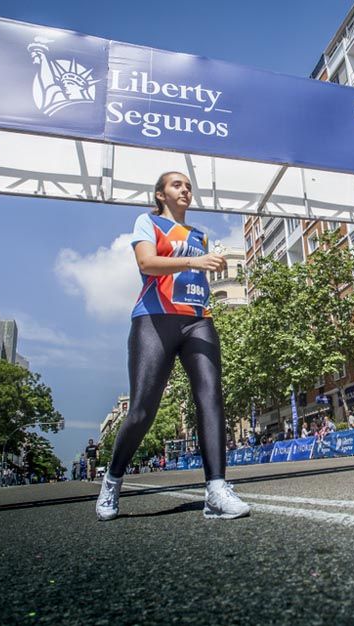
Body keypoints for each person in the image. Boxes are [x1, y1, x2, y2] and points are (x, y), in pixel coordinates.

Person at [96, 171, 250, 521]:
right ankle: (113, 478)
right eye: (177, 185)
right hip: (155, 319)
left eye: (188, 186)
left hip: (198, 319)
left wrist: (210, 262)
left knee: (210, 396)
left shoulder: (200, 235)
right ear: (160, 194)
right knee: (142, 410)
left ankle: (216, 488)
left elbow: (195, 274)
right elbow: (147, 264)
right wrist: (195, 261)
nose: (185, 190)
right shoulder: (147, 222)